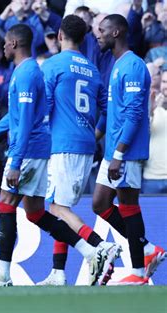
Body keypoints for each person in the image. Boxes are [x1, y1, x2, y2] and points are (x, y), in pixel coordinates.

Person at [0, 24, 109, 287]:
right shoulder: (26, 71)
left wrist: (16, 162)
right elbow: (17, 116)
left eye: (5, 43)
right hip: (39, 149)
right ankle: (92, 252)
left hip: (29, 150)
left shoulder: (28, 73)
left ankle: (3, 275)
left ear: (14, 44)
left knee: (5, 204)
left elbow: (27, 121)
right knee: (35, 212)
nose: (3, 48)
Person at [37, 15, 121, 286]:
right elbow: (107, 112)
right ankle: (58, 272)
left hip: (63, 145)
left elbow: (44, 107)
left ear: (60, 35)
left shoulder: (52, 65)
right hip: (86, 144)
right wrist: (93, 134)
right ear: (84, 38)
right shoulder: (93, 69)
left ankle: (99, 247)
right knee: (62, 205)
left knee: (58, 208)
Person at [93, 14, 165, 285]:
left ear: (117, 32)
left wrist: (119, 154)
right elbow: (114, 113)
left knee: (128, 205)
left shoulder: (134, 66)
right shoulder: (117, 65)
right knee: (100, 203)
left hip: (126, 152)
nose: (97, 34)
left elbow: (135, 114)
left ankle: (137, 273)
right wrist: (97, 138)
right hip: (113, 150)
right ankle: (146, 249)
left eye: (102, 30)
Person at [142, 70, 167, 194]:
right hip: (151, 178)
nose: (166, 86)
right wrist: (150, 113)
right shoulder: (151, 106)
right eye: (163, 82)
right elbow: (139, 136)